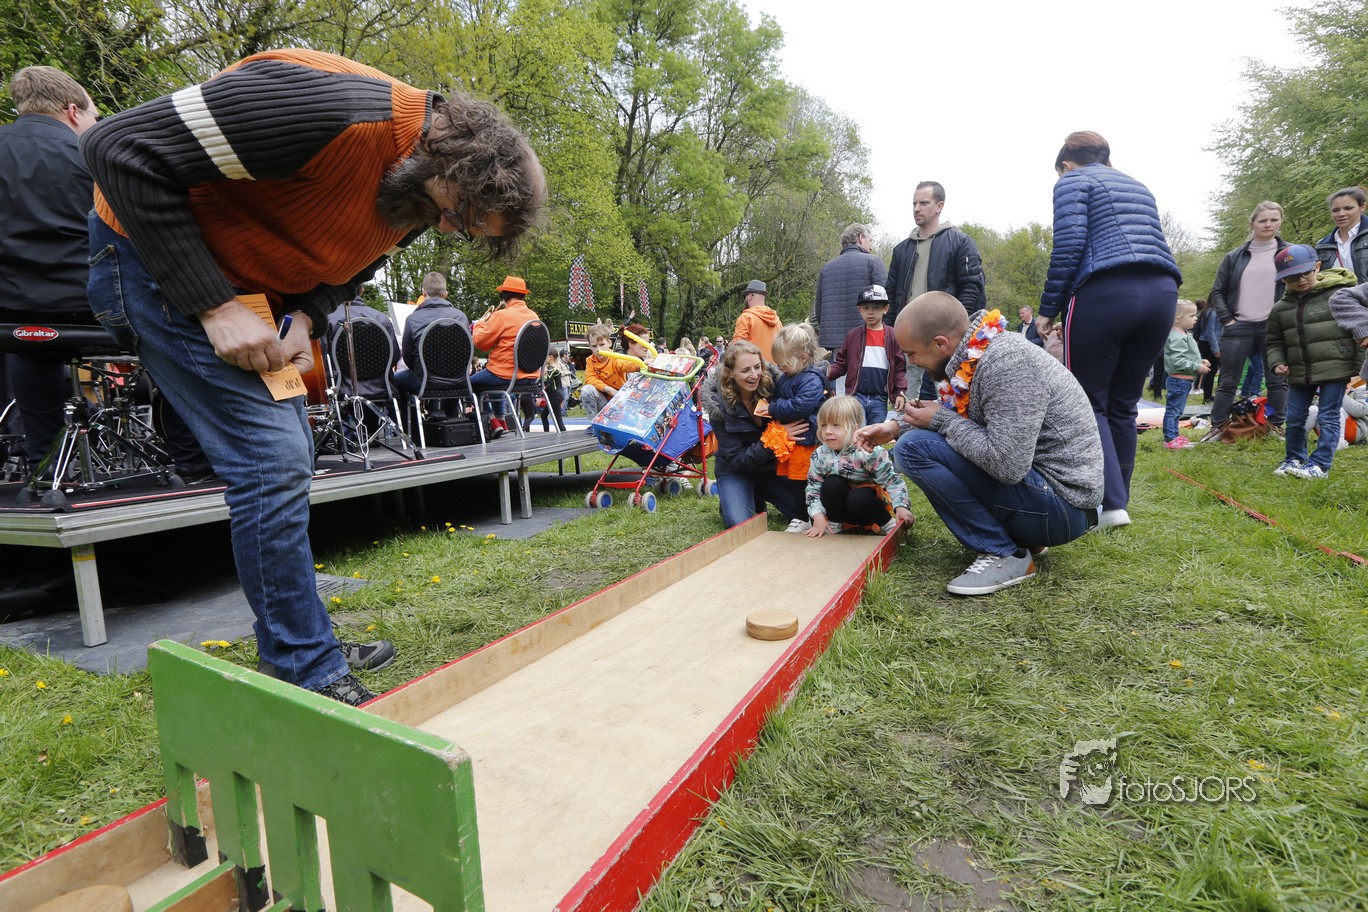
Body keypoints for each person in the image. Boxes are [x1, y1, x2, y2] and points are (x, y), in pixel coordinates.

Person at [82, 49, 545, 705]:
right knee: (270, 457)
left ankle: (299, 639)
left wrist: (305, 317)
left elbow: (352, 265)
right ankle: (305, 666)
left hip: (251, 291)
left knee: (288, 452)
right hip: (147, 263)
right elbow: (114, 147)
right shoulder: (326, 112)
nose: (448, 228)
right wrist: (213, 306)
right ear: (453, 159)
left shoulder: (417, 194)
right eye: (461, 212)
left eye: (467, 231)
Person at [861, 292, 1103, 596]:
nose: (911, 362)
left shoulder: (1006, 362)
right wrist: (895, 426)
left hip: (1065, 508)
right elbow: (957, 413)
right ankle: (1025, 538)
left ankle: (1003, 552)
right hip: (1052, 500)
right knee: (911, 439)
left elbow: (1008, 465)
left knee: (913, 448)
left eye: (912, 353)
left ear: (940, 343)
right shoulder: (978, 355)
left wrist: (940, 421)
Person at [1035, 131, 1181, 530]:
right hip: (1163, 293)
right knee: (1123, 404)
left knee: (1089, 401)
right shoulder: (1137, 185)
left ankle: (1109, 505)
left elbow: (1069, 245)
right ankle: (1121, 501)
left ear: (1066, 164)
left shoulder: (1072, 180)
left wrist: (1048, 309)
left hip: (1106, 291)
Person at [0, 66, 100, 468]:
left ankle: (46, 464)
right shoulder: (94, 154)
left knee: (31, 349)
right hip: (94, 306)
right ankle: (191, 458)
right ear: (73, 111)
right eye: (94, 116)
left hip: (12, 309)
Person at [1265, 245, 1360, 478]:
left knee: (1328, 416)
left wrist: (1359, 366)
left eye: (1305, 273)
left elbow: (1359, 329)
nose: (1300, 280)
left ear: (1317, 266)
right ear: (1283, 279)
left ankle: (1320, 465)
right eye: (1291, 278)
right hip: (1298, 372)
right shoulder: (1280, 309)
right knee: (1295, 418)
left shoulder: (1340, 296)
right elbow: (1274, 342)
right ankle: (1294, 459)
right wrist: (1277, 362)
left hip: (1335, 367)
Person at [885, 181, 985, 400]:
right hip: (909, 340)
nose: (917, 208)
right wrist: (889, 333)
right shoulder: (901, 250)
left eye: (923, 203)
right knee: (907, 401)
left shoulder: (960, 243)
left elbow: (971, 287)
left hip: (944, 343)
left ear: (940, 206)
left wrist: (957, 330)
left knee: (947, 400)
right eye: (914, 203)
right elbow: (890, 294)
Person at [701, 340, 809, 528]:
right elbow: (737, 459)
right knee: (740, 525)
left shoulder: (776, 387)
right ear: (730, 373)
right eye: (745, 370)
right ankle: (734, 495)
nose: (754, 375)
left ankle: (755, 494)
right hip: (736, 470)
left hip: (772, 469)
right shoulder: (718, 406)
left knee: (807, 514)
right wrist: (775, 438)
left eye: (757, 367)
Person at [1205, 201, 1288, 437]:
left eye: (1274, 220)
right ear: (1252, 224)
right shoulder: (1234, 256)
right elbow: (1218, 291)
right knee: (1228, 381)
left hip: (1274, 326)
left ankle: (1275, 426)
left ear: (1280, 222)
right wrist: (1228, 320)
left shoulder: (1289, 254)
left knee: (1277, 379)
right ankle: (1218, 427)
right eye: (1263, 220)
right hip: (1238, 326)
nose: (1268, 224)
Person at [803, 396, 913, 538]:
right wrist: (818, 516)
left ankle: (888, 525)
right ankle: (834, 525)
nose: (828, 431)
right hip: (841, 510)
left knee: (858, 497)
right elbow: (813, 487)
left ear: (855, 428)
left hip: (865, 508)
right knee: (831, 483)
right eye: (824, 425)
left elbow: (892, 481)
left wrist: (901, 506)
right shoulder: (820, 454)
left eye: (836, 425)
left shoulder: (868, 452)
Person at [757, 323, 830, 532]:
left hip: (806, 441)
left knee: (804, 481)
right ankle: (804, 516)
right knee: (795, 480)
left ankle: (804, 516)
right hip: (795, 441)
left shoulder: (811, 380)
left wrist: (773, 408)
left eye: (784, 363)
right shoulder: (789, 376)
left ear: (803, 358)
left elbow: (799, 406)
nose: (780, 367)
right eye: (778, 363)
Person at [391, 272, 471, 417]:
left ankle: (410, 424)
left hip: (424, 381)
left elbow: (408, 357)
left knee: (393, 380)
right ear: (446, 293)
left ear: (424, 292)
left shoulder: (413, 319)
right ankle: (451, 417)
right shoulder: (461, 317)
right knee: (452, 380)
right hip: (458, 380)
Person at [470, 276, 541, 435]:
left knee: (468, 383)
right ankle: (501, 421)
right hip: (530, 376)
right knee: (492, 382)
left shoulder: (502, 315)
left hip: (506, 375)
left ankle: (492, 420)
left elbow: (481, 343)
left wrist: (479, 325)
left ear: (504, 295)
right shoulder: (534, 316)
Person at [827, 284, 907, 425]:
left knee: (875, 434)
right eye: (866, 308)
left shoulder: (893, 335)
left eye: (876, 307)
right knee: (859, 432)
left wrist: (900, 391)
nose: (870, 312)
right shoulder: (853, 335)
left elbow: (899, 368)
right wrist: (823, 374)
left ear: (885, 309)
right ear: (860, 310)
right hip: (856, 396)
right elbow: (841, 364)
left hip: (880, 399)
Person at [811, 223, 887, 349]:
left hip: (835, 344)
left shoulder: (827, 268)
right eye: (870, 240)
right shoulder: (873, 262)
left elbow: (818, 310)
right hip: (867, 341)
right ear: (861, 238)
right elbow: (885, 302)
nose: (871, 247)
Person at [326, 292, 400, 400]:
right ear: (362, 290)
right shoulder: (381, 318)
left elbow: (324, 360)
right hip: (381, 387)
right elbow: (393, 357)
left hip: (342, 389)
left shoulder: (327, 319)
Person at [1161, 301, 1209, 449]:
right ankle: (1170, 440)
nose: (1196, 318)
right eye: (1192, 315)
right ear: (1178, 318)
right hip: (1178, 380)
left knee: (1177, 411)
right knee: (1173, 411)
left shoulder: (1184, 334)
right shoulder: (1177, 337)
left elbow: (1185, 356)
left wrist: (1200, 361)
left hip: (1183, 380)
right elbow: (1177, 361)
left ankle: (1174, 437)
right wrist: (1197, 367)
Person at [580, 322, 649, 421]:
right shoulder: (590, 361)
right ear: (590, 347)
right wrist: (607, 389)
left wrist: (639, 365)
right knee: (587, 390)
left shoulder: (615, 357)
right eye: (594, 346)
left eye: (602, 344)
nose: (598, 349)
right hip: (604, 400)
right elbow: (590, 378)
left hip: (619, 400)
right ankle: (594, 422)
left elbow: (625, 365)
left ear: (609, 343)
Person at [1315, 187, 1368, 279]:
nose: (1341, 214)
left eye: (1348, 208)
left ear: (1362, 207)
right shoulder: (1322, 246)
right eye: (1335, 210)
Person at [733, 280, 782, 362]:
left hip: (754, 367)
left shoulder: (746, 317)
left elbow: (737, 348)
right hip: (775, 367)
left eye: (745, 296)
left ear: (750, 296)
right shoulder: (777, 320)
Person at [1193, 298, 1221, 403]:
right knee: (1212, 370)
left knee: (1211, 370)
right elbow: (1210, 331)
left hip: (1205, 342)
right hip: (1210, 343)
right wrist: (1216, 348)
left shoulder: (1207, 311)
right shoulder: (1213, 312)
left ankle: (1208, 395)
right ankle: (1209, 396)